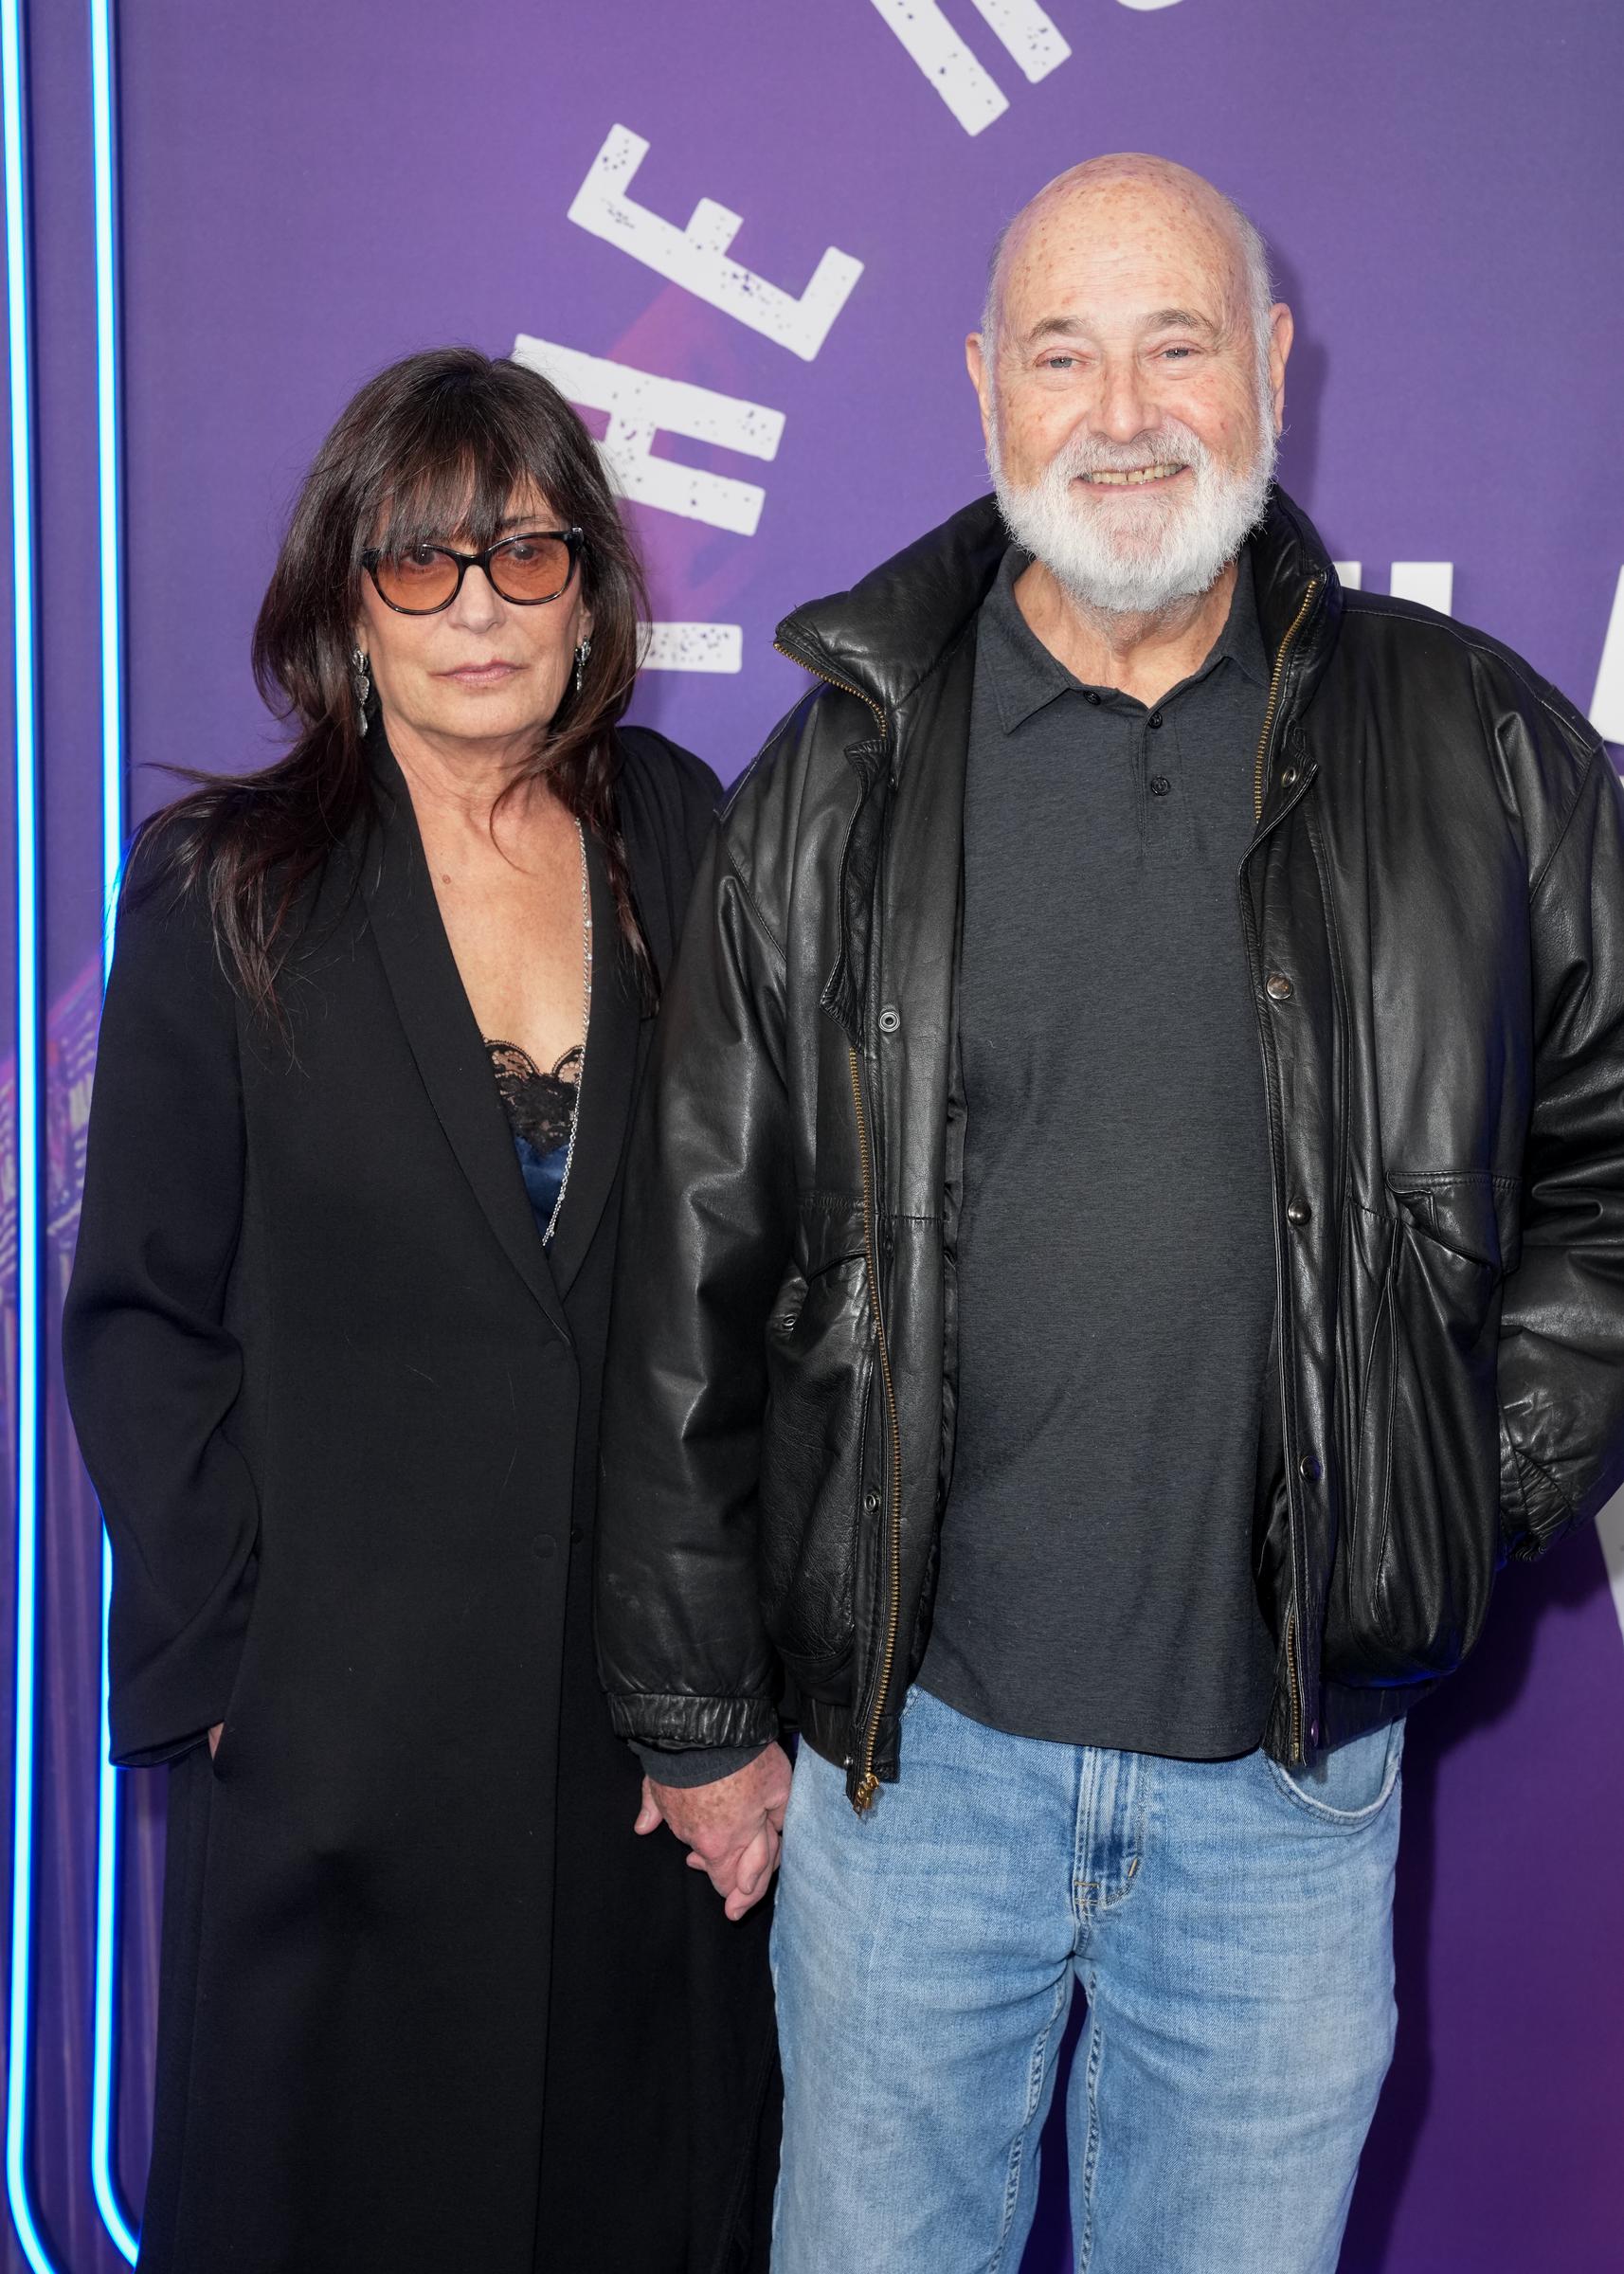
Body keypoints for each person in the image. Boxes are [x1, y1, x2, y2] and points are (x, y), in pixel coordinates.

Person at [594, 154, 1624, 2273]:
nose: (1120, 403)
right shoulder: (844, 773)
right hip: (913, 1782)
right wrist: (699, 1715)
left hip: (1283, 1798)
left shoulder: (1474, 747)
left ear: (1268, 367)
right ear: (986, 390)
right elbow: (703, 1245)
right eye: (1063, 350)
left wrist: (1453, 1480)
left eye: (1176, 341)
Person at [63, 348, 776, 2274]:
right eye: (419, 563)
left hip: (632, 1747)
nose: (475, 609)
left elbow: (758, 1282)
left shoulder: (683, 840)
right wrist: (225, 1672)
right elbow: (138, 1315)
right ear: (343, 604)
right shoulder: (228, 893)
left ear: (588, 594)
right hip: (333, 1752)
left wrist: (733, 1683)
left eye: (523, 555)